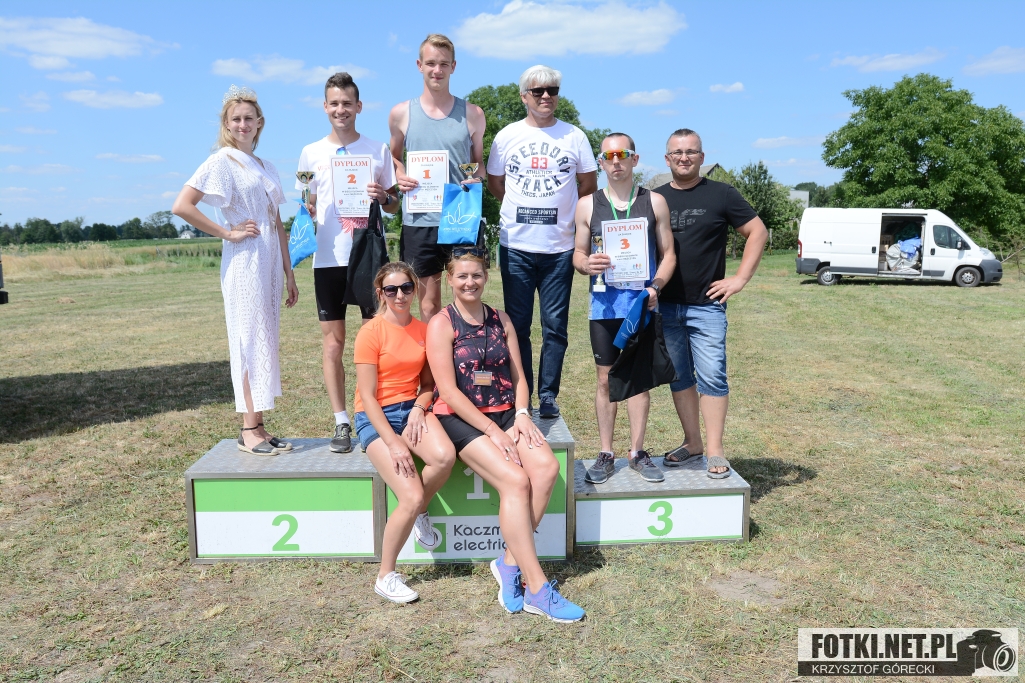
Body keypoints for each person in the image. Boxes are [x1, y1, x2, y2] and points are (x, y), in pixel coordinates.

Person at [426, 252, 585, 623]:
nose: (470, 282)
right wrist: (492, 431)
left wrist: (522, 413)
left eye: (476, 275)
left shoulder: (501, 319)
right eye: (462, 276)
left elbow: (519, 378)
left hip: (506, 413)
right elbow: (447, 392)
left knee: (545, 469)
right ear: (450, 280)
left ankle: (509, 563)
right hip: (461, 418)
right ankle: (537, 589)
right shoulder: (441, 323)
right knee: (516, 481)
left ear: (486, 277)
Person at [172, 85, 298, 456]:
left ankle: (258, 425)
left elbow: (277, 223)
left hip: (269, 262)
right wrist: (227, 232)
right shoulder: (222, 161)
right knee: (247, 340)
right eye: (236, 119)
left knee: (264, 340)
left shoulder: (266, 166)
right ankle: (247, 428)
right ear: (227, 124)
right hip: (244, 260)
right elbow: (182, 205)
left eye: (249, 118)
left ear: (259, 123)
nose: (243, 124)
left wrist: (289, 272)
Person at [653, 128, 768, 478]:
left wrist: (740, 279)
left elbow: (758, 232)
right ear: (667, 158)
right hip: (664, 305)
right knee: (679, 378)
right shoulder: (654, 199)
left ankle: (716, 450)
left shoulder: (722, 194)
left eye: (691, 151)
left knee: (712, 377)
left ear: (702, 158)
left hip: (706, 306)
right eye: (677, 152)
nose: (684, 157)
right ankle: (692, 443)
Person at [486, 65, 598, 419]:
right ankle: (522, 395)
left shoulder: (574, 136)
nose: (546, 96)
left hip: (559, 249)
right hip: (516, 247)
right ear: (524, 96)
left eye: (552, 90)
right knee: (517, 328)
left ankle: (548, 395)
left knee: (555, 328)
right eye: (538, 91)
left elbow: (588, 185)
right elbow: (496, 184)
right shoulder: (507, 136)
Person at [297, 72, 399, 453]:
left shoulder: (377, 150)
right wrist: (307, 209)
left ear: (359, 106)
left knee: (375, 340)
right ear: (325, 107)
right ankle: (341, 421)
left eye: (347, 103)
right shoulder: (310, 152)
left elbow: (394, 204)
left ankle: (376, 413)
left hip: (366, 255)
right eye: (334, 103)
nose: (341, 110)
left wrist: (383, 196)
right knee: (333, 344)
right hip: (327, 260)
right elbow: (305, 200)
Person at [573, 133, 676, 484]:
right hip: (603, 307)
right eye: (608, 156)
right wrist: (586, 264)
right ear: (600, 163)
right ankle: (605, 453)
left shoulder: (655, 202)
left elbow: (669, 255)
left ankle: (637, 452)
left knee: (637, 379)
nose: (615, 162)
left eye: (623, 154)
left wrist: (655, 287)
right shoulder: (587, 205)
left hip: (640, 304)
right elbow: (578, 254)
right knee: (605, 379)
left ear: (635, 159)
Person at [354, 262, 457, 603]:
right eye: (391, 289)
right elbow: (367, 396)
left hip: (411, 410)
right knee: (409, 496)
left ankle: (420, 511)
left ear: (415, 289)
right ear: (380, 293)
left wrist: (418, 408)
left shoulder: (424, 330)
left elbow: (428, 385)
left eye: (406, 288)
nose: (400, 295)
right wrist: (393, 442)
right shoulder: (370, 332)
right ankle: (385, 576)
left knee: (444, 457)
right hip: (375, 416)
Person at [388, 34, 486, 321]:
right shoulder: (400, 113)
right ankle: (433, 353)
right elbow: (393, 158)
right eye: (431, 63)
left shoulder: (473, 114)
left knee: (466, 298)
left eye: (444, 64)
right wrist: (400, 173)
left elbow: (478, 164)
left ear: (453, 66)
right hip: (419, 221)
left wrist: (476, 178)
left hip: (460, 218)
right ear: (419, 65)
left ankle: (463, 350)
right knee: (429, 305)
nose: (437, 70)